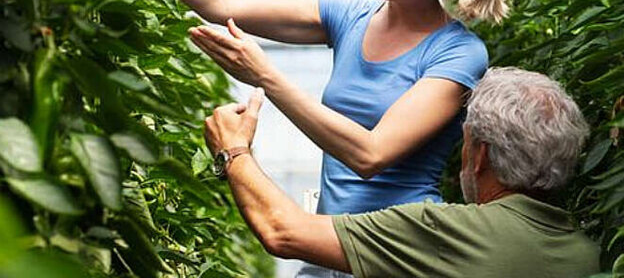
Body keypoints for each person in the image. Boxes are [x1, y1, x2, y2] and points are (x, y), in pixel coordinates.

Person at [118, 0, 511, 274]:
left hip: (399, 252)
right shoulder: (349, 14)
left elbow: (370, 154)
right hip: (326, 245)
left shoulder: (458, 54)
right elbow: (220, 2)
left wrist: (265, 77)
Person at [204, 67, 600, 277]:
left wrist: (233, 150)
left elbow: (283, 231)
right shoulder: (590, 254)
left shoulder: (450, 233)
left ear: (480, 156)